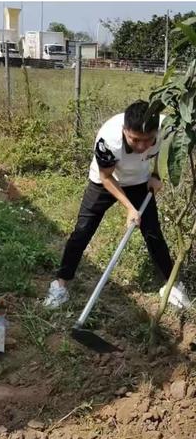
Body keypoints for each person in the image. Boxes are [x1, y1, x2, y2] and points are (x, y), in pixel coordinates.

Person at [44, 100, 191, 310]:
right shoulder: (108, 140)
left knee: (153, 233)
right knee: (83, 230)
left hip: (139, 181)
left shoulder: (164, 128)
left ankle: (172, 285)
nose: (141, 146)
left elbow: (162, 149)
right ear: (125, 130)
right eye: (135, 140)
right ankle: (60, 284)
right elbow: (106, 177)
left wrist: (156, 174)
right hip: (105, 182)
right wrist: (130, 208)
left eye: (147, 140)